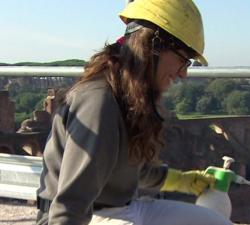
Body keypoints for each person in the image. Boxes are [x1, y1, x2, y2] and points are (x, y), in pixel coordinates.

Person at [35, 0, 233, 224]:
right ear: (153, 46)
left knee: (214, 222)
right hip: (84, 216)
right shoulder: (99, 103)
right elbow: (71, 204)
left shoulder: (131, 96)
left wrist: (182, 181)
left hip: (123, 208)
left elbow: (129, 171)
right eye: (182, 60)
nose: (183, 74)